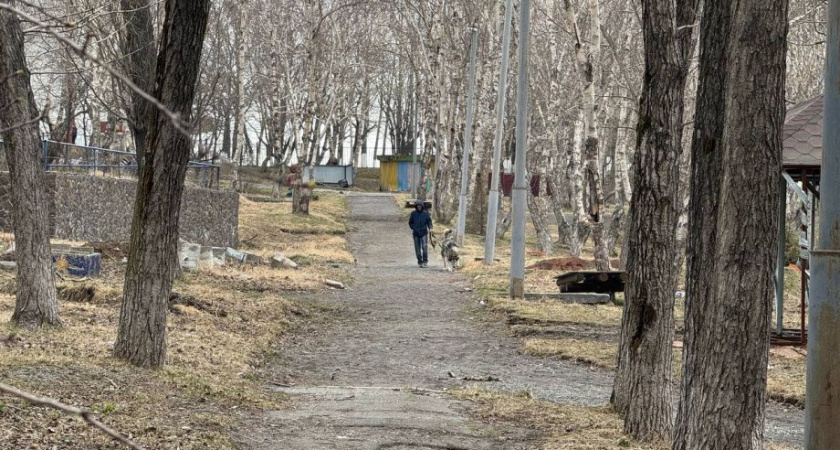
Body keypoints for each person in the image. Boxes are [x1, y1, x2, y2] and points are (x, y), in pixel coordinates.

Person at [409, 201, 433, 268]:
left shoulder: (426, 214)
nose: (419, 207)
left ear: (422, 206)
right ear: (416, 206)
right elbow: (410, 222)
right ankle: (420, 261)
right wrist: (413, 228)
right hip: (416, 233)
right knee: (417, 249)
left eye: (420, 206)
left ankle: (425, 261)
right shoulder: (413, 213)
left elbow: (429, 222)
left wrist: (430, 228)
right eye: (418, 206)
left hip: (424, 233)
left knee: (424, 247)